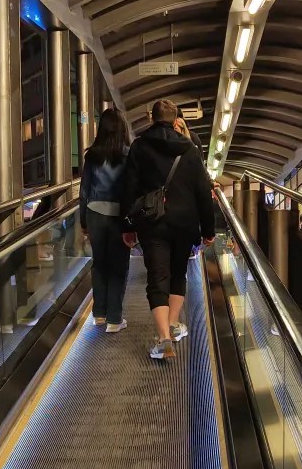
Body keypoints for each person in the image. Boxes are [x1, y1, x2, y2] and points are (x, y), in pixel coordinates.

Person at [122, 98, 215, 359]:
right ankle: (173, 324)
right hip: (185, 223)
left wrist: (126, 225)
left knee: (157, 277)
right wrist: (208, 229)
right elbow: (203, 193)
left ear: (151, 118)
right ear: (176, 120)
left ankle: (164, 338)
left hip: (153, 223)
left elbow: (128, 189)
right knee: (177, 273)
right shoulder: (190, 149)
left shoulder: (139, 147)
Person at [79, 107, 131, 332]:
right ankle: (114, 319)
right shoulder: (129, 154)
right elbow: (132, 189)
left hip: (95, 213)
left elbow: (84, 191)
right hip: (119, 215)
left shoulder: (92, 155)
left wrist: (83, 221)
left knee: (99, 264)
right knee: (119, 266)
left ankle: (98, 314)